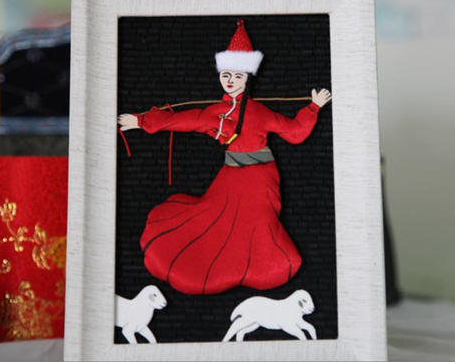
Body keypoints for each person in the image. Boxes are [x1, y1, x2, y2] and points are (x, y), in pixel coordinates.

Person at [118, 20, 332, 295]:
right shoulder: (217, 112)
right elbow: (185, 120)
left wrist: (313, 107)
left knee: (260, 221)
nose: (230, 81)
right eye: (226, 75)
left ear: (248, 78)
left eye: (237, 76)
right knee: (214, 219)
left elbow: (295, 133)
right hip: (231, 176)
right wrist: (141, 121)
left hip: (261, 178)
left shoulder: (259, 112)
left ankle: (266, 264)